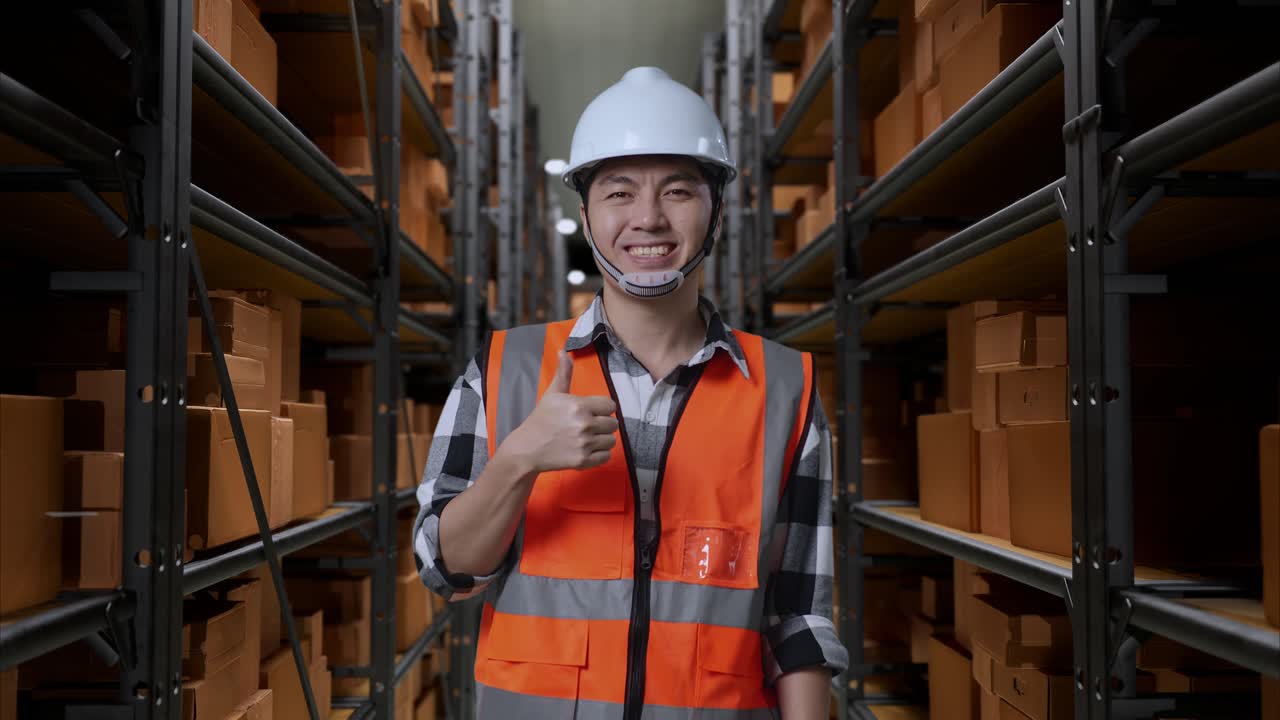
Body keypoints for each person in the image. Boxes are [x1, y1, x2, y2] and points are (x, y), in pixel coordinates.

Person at [414, 66, 847, 719]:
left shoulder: (785, 389)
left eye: (678, 191)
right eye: (620, 193)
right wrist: (518, 460)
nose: (648, 218)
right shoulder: (504, 371)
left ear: (716, 212)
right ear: (586, 215)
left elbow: (799, 617)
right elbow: (447, 571)